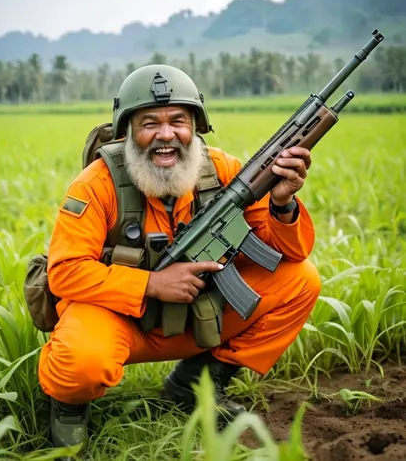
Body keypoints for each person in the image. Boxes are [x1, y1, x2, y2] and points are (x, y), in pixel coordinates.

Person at [37, 64, 321, 452]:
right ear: (128, 130)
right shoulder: (96, 184)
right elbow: (66, 273)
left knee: (301, 280)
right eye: (149, 122)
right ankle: (69, 417)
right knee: (80, 359)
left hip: (199, 317)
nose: (166, 135)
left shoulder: (223, 171)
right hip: (122, 323)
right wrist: (152, 284)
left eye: (179, 121)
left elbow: (284, 251)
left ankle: (196, 384)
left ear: (196, 126)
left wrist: (283, 203)